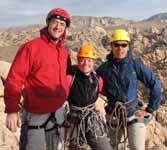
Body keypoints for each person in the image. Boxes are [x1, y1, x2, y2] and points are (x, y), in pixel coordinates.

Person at [4, 8, 71, 150]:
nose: (58, 27)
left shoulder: (64, 52)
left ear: (65, 29)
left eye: (62, 24)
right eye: (55, 22)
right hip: (36, 113)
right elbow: (15, 78)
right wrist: (11, 110)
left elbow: (66, 76)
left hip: (58, 111)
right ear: (48, 23)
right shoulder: (31, 48)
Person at [96, 29, 162, 150]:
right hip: (114, 115)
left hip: (133, 113)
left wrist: (150, 109)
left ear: (128, 47)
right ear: (111, 46)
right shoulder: (104, 68)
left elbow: (155, 84)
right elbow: (91, 83)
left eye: (123, 45)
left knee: (137, 147)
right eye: (116, 45)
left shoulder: (135, 65)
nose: (120, 48)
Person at [65, 44, 112, 150]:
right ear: (77, 60)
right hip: (74, 122)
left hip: (92, 120)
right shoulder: (70, 78)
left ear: (94, 62)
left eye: (89, 60)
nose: (86, 63)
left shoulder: (97, 79)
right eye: (82, 60)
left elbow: (107, 92)